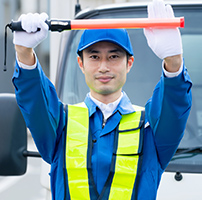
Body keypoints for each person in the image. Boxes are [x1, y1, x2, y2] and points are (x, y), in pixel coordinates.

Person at [12, 0, 192, 199]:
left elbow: (173, 108)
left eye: (114, 57)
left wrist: (174, 62)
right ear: (80, 63)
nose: (104, 67)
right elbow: (36, 103)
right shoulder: (61, 123)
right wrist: (24, 53)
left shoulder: (149, 129)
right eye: (94, 57)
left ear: (129, 63)